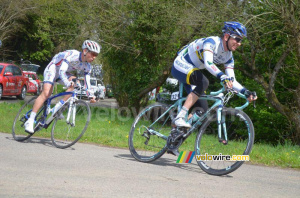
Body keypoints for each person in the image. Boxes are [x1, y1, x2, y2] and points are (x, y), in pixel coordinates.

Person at [171, 21, 257, 129]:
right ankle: (179, 117)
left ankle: (176, 134)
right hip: (181, 64)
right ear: (226, 36)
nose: (239, 43)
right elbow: (208, 63)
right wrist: (222, 76)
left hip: (192, 70)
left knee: (202, 110)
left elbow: (232, 80)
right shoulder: (211, 42)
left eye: (241, 40)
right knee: (203, 82)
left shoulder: (229, 57)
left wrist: (246, 92)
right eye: (237, 39)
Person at [24, 40, 101, 133]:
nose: (94, 57)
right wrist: (67, 82)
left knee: (76, 83)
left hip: (63, 73)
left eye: (96, 55)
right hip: (53, 69)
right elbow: (61, 71)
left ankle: (58, 108)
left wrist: (90, 95)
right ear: (85, 51)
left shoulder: (87, 66)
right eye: (92, 54)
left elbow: (87, 83)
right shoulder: (73, 55)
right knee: (46, 93)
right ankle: (30, 120)